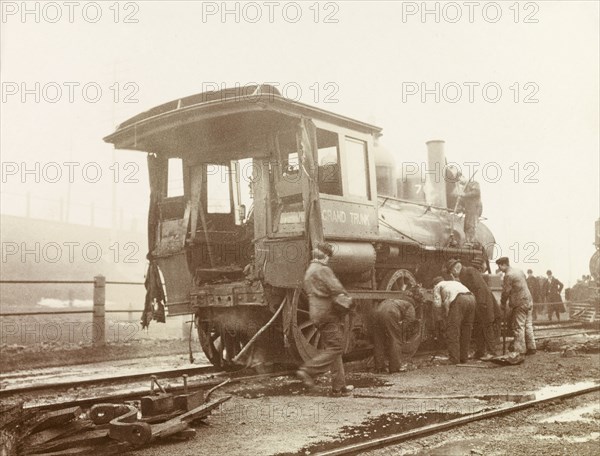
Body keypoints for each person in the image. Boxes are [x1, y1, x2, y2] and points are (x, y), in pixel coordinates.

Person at [296, 243, 354, 395]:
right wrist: (348, 300)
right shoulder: (323, 269)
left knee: (334, 349)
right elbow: (337, 289)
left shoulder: (309, 270)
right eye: (329, 257)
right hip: (328, 314)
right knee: (336, 347)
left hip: (315, 314)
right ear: (326, 256)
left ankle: (339, 386)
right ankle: (308, 371)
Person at [447, 258, 499, 360]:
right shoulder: (463, 274)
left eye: (451, 271)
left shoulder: (470, 271)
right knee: (478, 328)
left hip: (483, 303)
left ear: (455, 269)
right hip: (478, 303)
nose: (451, 274)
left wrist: (481, 303)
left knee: (487, 326)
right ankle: (480, 351)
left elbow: (480, 288)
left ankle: (492, 352)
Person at [369, 290, 420, 373]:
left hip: (376, 312)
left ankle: (379, 367)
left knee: (378, 341)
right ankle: (395, 368)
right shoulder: (410, 305)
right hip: (389, 313)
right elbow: (409, 321)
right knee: (395, 340)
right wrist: (403, 333)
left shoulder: (397, 300)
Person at [432, 273, 476, 364]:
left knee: (453, 330)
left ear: (434, 284)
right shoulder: (453, 282)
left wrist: (439, 320)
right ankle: (464, 358)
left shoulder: (437, 286)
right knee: (466, 329)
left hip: (459, 300)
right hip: (471, 299)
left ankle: (454, 359)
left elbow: (437, 305)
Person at [496, 257, 536, 355]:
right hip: (529, 300)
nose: (500, 268)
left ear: (503, 265)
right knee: (528, 325)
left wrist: (502, 303)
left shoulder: (508, 275)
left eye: (499, 266)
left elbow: (506, 291)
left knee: (519, 326)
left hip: (520, 302)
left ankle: (520, 350)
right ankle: (531, 347)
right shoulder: (519, 271)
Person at [457, 173, 483, 245]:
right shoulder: (463, 189)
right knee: (466, 226)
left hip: (475, 208)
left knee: (471, 225)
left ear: (463, 177)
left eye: (460, 179)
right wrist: (459, 208)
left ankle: (471, 242)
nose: (460, 182)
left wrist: (464, 195)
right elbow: (462, 202)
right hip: (468, 210)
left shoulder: (473, 183)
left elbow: (476, 192)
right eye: (459, 181)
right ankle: (468, 241)